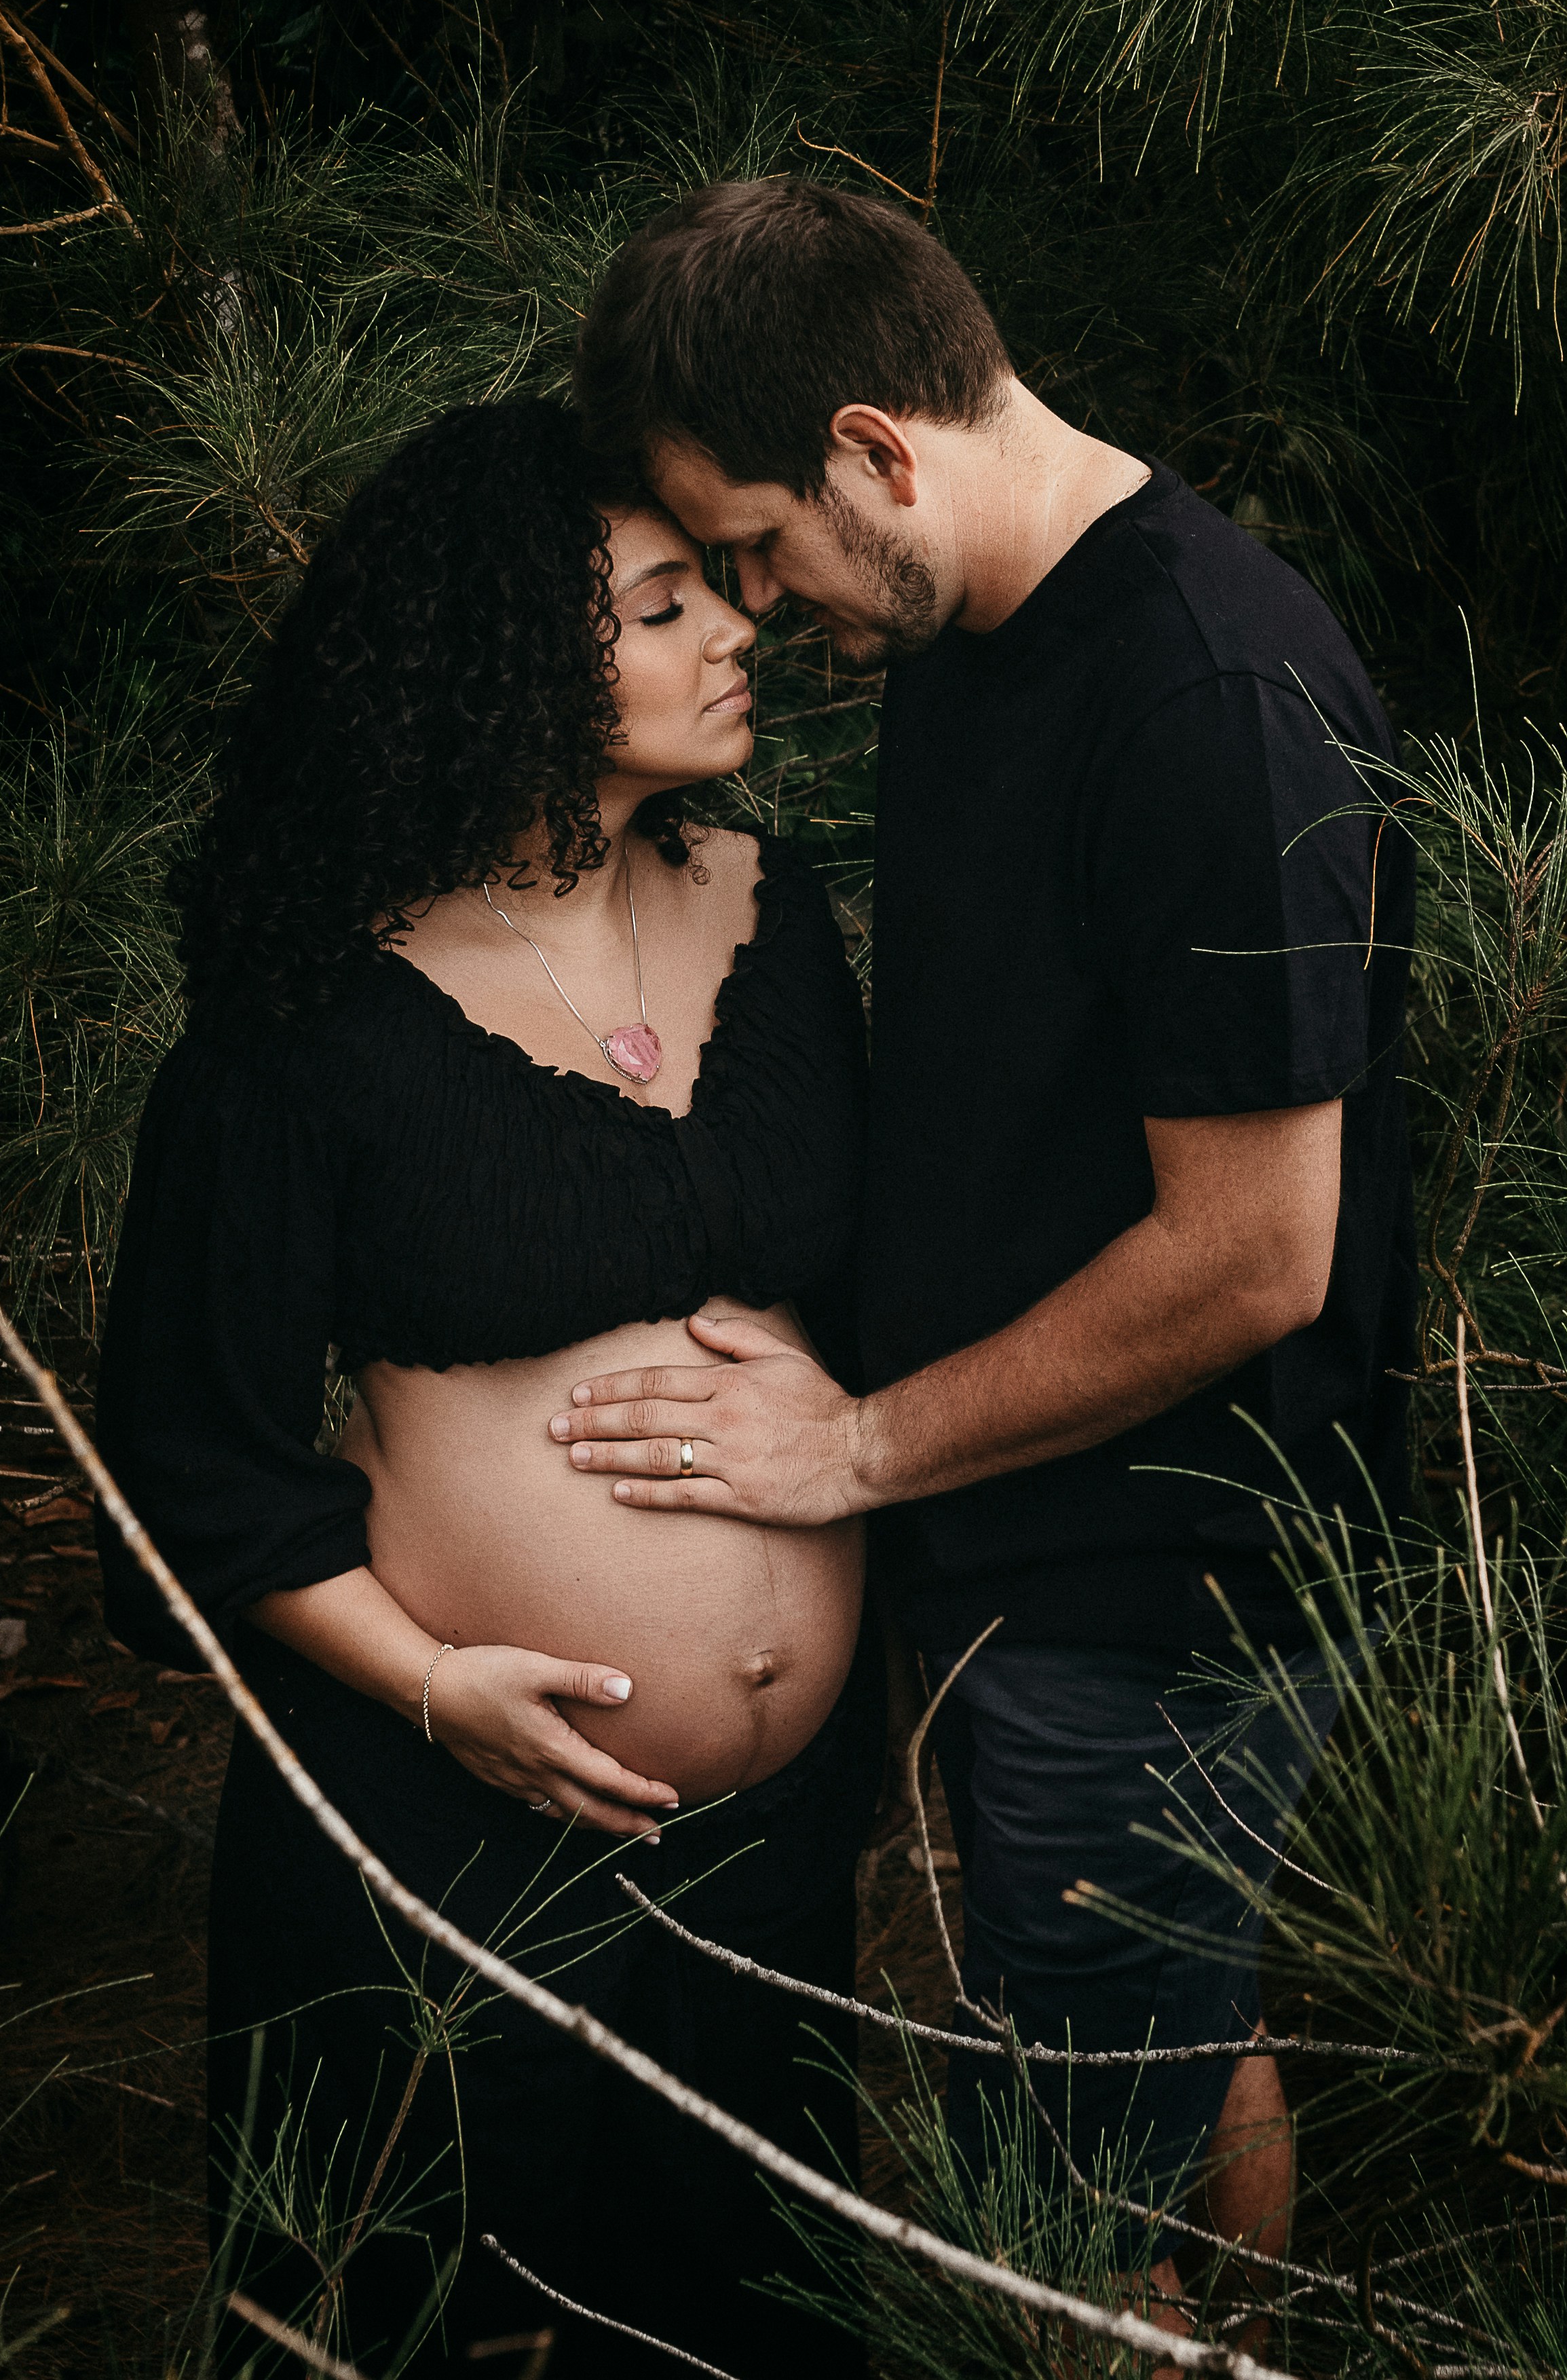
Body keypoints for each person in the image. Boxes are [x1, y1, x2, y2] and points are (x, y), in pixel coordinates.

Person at [564, 176, 1417, 2301]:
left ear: (873, 449)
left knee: (1067, 2212)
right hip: (1031, 1533)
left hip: (1157, 1579)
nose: (757, 612)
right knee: (1166, 2043)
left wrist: (851, 1452)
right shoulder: (971, 627)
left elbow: (1252, 1256)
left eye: (753, 548)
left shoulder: (1206, 697)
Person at [93, 396, 880, 2379]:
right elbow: (190, 1445)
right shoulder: (316, 1011)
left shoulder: (777, 928)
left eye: (723, 593)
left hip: (771, 1849)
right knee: (441, 2318)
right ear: (506, 656)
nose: (735, 634)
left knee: (743, 2325)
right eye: (663, 603)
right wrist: (438, 1688)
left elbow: (872, 1306)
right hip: (444, 1825)